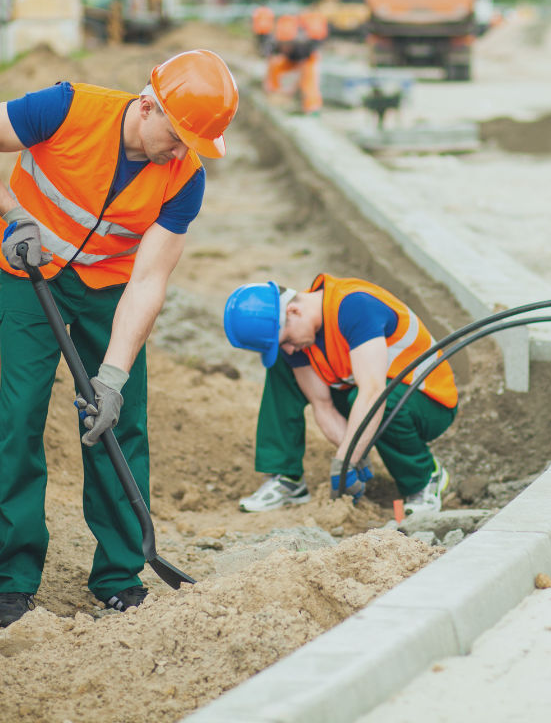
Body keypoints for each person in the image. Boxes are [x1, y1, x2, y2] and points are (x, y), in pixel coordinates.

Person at [0, 49, 239, 627]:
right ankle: (11, 576)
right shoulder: (64, 109)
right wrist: (10, 214)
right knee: (16, 413)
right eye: (178, 136)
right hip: (25, 272)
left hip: (108, 289)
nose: (181, 152)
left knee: (118, 419)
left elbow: (150, 278)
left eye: (194, 146)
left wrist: (112, 377)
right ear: (148, 104)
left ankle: (118, 573)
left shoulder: (185, 180)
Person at [223, 272, 458, 517]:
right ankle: (287, 478)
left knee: (379, 399)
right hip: (365, 396)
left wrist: (345, 460)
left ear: (293, 312)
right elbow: (322, 405)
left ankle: (424, 479)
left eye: (287, 340)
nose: (290, 348)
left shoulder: (355, 307)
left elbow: (373, 392)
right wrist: (354, 453)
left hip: (427, 402)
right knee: (281, 367)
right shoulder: (298, 335)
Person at [264, 9, 328, 114]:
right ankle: (274, 96)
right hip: (289, 60)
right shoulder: (274, 44)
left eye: (288, 44)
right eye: (283, 44)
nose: (285, 48)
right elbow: (270, 63)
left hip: (307, 61)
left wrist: (291, 89)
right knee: (276, 65)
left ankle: (311, 107)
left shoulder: (302, 47)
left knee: (309, 81)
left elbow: (302, 70)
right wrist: (269, 85)